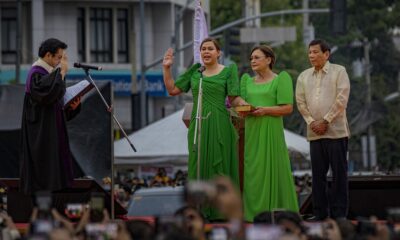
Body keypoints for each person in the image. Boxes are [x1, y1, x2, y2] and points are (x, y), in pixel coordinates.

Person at [162, 37, 242, 220]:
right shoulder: (195, 71)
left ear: (218, 53)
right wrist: (166, 68)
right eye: (203, 49)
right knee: (198, 163)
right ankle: (200, 210)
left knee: (220, 166)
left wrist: (249, 106)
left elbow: (235, 98)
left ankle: (222, 211)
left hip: (220, 122)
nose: (206, 52)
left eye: (210, 49)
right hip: (198, 123)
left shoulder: (229, 71)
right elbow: (172, 90)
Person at [239, 45, 299, 222]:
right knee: (253, 171)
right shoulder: (246, 81)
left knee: (274, 168)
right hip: (252, 132)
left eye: (257, 57)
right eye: (251, 58)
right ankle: (252, 215)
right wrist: (246, 108)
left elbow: (287, 108)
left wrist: (265, 110)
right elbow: (240, 108)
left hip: (271, 131)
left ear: (269, 60)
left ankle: (277, 213)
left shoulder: (281, 79)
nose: (253, 61)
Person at [296, 39, 350, 220]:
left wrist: (325, 121)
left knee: (339, 175)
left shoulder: (339, 71)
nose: (311, 55)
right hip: (314, 133)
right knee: (317, 176)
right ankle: (320, 214)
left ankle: (339, 214)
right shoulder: (303, 76)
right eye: (309, 52)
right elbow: (300, 102)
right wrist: (312, 122)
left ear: (326, 54)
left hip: (336, 132)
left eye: (315, 52)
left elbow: (342, 99)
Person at [20, 38, 81, 195]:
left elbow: (54, 106)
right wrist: (62, 72)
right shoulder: (36, 74)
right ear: (48, 55)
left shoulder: (49, 75)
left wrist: (71, 108)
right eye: (59, 57)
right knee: (46, 176)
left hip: (52, 134)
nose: (61, 61)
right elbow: (46, 98)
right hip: (41, 137)